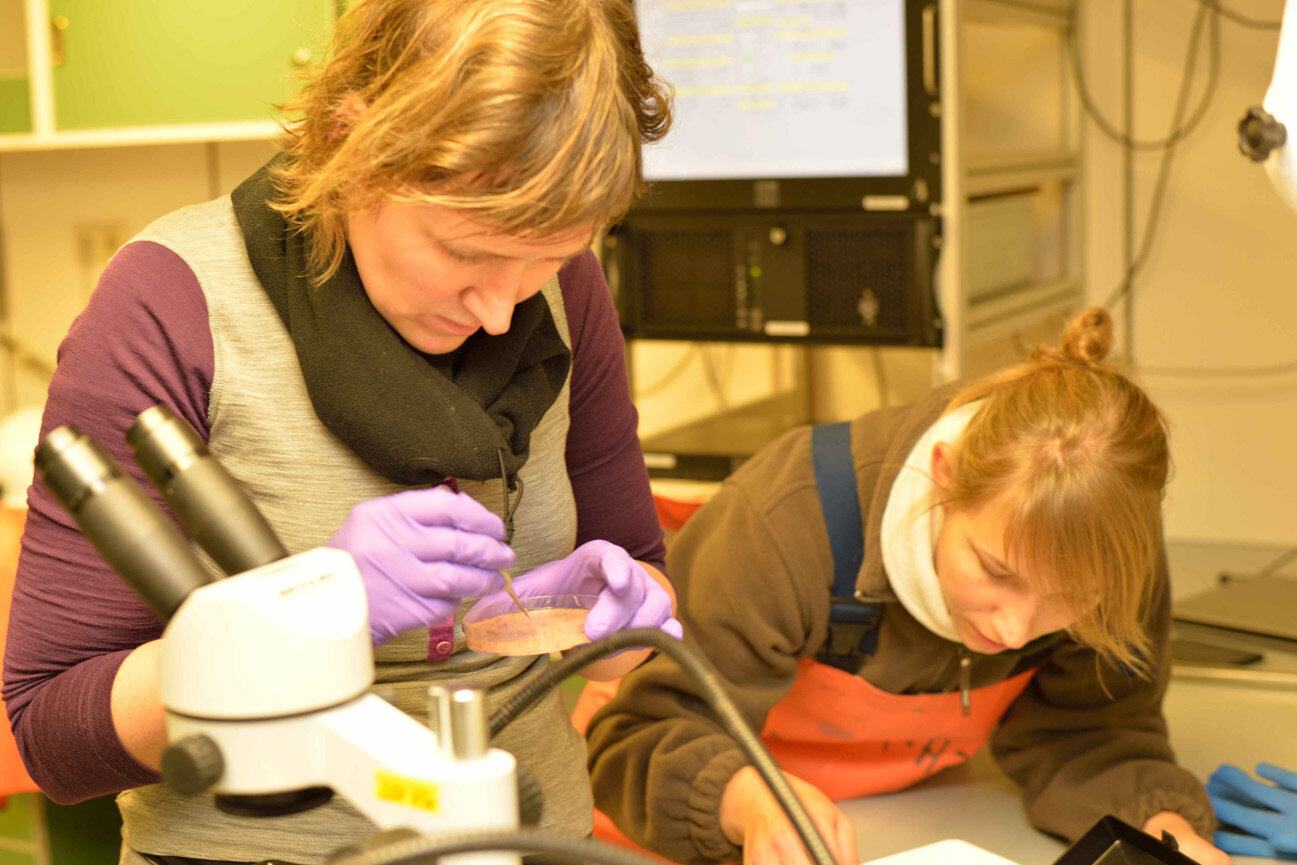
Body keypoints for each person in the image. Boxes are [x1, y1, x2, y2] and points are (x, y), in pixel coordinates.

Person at [2, 1, 681, 863]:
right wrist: (301, 620)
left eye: (545, 257)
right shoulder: (167, 307)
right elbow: (51, 732)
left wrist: (611, 617)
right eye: (463, 252)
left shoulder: (564, 291)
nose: (503, 308)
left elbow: (635, 605)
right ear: (347, 141)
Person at [581, 308, 1232, 865]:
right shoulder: (785, 521)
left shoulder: (1111, 564)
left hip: (915, 824)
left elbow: (1092, 732)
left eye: (1065, 601)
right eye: (995, 570)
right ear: (943, 477)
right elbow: (637, 733)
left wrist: (1157, 828)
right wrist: (742, 797)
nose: (1011, 628)